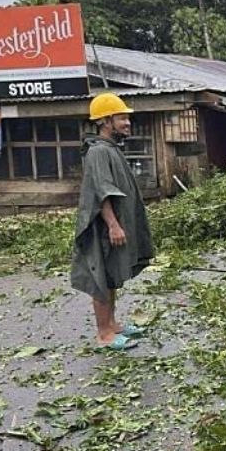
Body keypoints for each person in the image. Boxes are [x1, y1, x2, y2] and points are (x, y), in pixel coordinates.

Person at [71, 93, 155, 351]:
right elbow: (102, 190)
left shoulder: (110, 148)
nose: (127, 123)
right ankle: (104, 334)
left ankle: (113, 324)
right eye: (121, 118)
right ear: (105, 121)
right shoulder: (98, 151)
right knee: (101, 276)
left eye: (127, 118)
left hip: (113, 225)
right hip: (103, 227)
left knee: (112, 273)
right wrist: (113, 225)